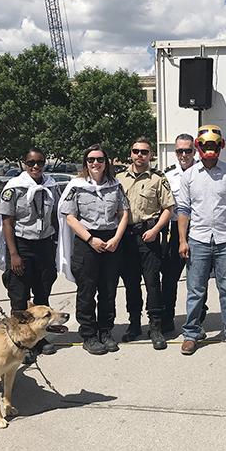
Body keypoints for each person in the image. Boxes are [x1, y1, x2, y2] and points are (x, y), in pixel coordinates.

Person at [178, 124, 226, 355]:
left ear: (220, 146)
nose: (210, 149)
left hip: (225, 240)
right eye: (206, 145)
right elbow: (183, 209)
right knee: (195, 290)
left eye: (214, 145)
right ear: (198, 146)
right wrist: (182, 240)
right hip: (197, 240)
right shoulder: (189, 175)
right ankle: (191, 334)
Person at [57, 144, 129, 355]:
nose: (95, 163)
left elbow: (124, 213)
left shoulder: (115, 185)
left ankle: (105, 331)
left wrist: (116, 238)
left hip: (111, 241)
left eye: (100, 159)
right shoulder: (77, 186)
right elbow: (70, 217)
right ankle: (88, 334)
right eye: (91, 160)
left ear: (106, 162)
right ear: (85, 163)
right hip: (87, 241)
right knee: (87, 291)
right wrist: (90, 239)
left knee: (108, 290)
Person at [0, 148, 60, 364]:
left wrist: (56, 245)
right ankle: (20, 342)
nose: (36, 166)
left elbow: (56, 216)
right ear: (24, 163)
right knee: (19, 297)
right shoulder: (13, 188)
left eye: (40, 162)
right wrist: (13, 254)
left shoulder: (51, 186)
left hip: (44, 245)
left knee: (43, 293)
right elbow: (7, 222)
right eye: (31, 162)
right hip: (21, 245)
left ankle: (39, 338)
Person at [117, 137, 175, 350]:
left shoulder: (158, 179)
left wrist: (155, 230)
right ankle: (134, 324)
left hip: (148, 236)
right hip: (126, 238)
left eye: (144, 152)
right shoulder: (119, 178)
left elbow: (168, 208)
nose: (139, 155)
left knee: (152, 283)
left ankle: (155, 327)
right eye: (136, 151)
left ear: (151, 155)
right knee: (131, 284)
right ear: (131, 153)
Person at [161, 134, 208, 334]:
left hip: (198, 229)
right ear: (175, 152)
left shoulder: (204, 171)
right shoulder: (167, 175)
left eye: (188, 150)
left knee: (198, 279)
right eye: (180, 150)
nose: (184, 154)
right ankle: (166, 318)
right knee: (169, 278)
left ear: (194, 151)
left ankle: (198, 319)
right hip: (174, 230)